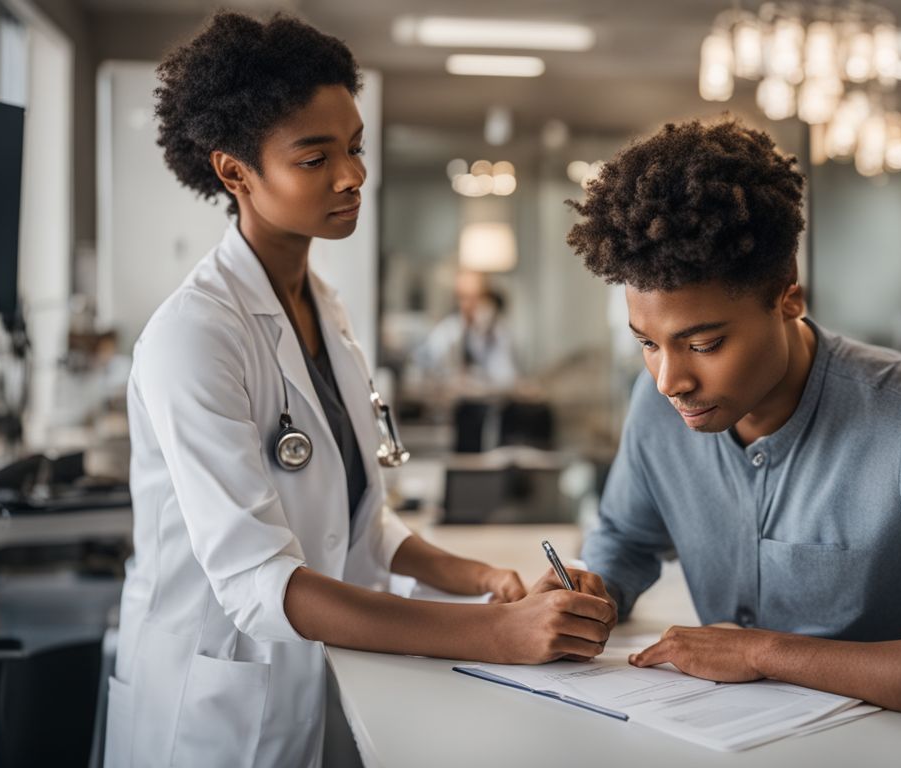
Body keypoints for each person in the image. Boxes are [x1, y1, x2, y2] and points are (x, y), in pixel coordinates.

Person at [108, 13, 614, 768]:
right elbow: (261, 585)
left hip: (321, 682)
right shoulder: (193, 337)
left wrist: (485, 582)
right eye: (315, 158)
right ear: (234, 172)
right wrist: (493, 635)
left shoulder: (323, 305)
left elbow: (360, 526)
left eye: (354, 147)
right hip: (214, 715)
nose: (352, 176)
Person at [567, 119, 901, 734]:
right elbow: (628, 537)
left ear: (788, 296)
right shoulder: (657, 400)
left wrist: (764, 652)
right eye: (647, 344)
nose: (669, 380)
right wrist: (593, 593)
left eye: (705, 343)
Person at [411, 269, 519, 387]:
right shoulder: (448, 331)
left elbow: (507, 377)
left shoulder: (498, 333)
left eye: (477, 297)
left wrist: (484, 334)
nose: (470, 304)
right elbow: (423, 364)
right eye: (464, 297)